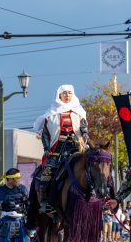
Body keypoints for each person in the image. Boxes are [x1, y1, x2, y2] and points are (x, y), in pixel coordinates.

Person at [33, 84, 88, 213]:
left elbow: (83, 127)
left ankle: (96, 198)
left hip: (76, 147)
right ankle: (46, 201)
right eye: (64, 93)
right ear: (59, 95)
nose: (67, 95)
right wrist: (47, 147)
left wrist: (84, 133)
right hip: (57, 149)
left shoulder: (79, 112)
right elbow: (45, 134)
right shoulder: (51, 114)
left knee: (91, 168)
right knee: (46, 172)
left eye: (69, 93)